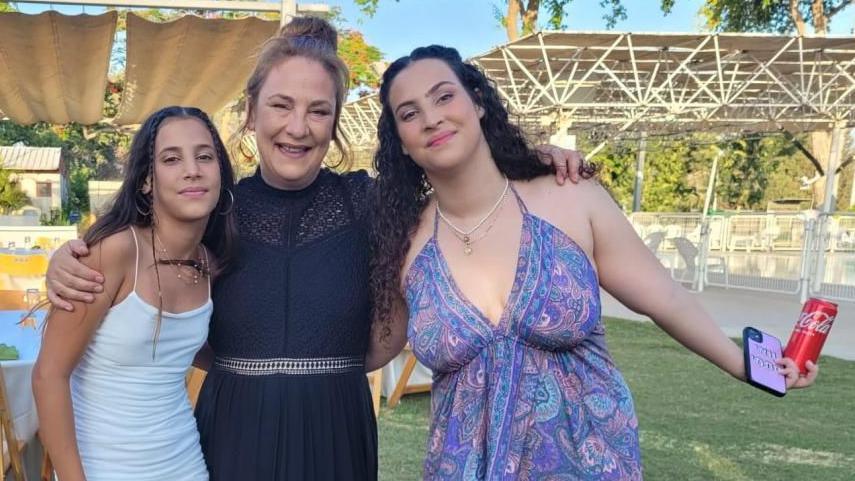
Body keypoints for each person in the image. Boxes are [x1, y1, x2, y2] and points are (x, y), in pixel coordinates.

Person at [41, 18, 585, 481]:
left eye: (318, 111)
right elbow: (140, 243)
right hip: (232, 430)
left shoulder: (371, 203)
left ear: (336, 122)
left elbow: (462, 189)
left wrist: (530, 161)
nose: (297, 128)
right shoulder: (212, 208)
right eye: (280, 105)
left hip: (336, 428)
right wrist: (67, 257)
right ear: (252, 112)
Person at [369, 45, 819, 480]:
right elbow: (372, 348)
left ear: (479, 102)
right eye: (409, 113)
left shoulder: (569, 195)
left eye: (444, 96)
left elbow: (662, 297)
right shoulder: (405, 245)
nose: (431, 119)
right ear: (401, 143)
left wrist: (745, 364)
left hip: (592, 462)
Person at [32, 106, 237, 481]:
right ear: (146, 179)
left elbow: (192, 352)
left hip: (184, 465)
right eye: (171, 159)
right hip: (103, 468)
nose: (192, 169)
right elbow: (48, 376)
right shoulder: (113, 253)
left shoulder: (211, 263)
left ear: (220, 172)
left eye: (204, 156)